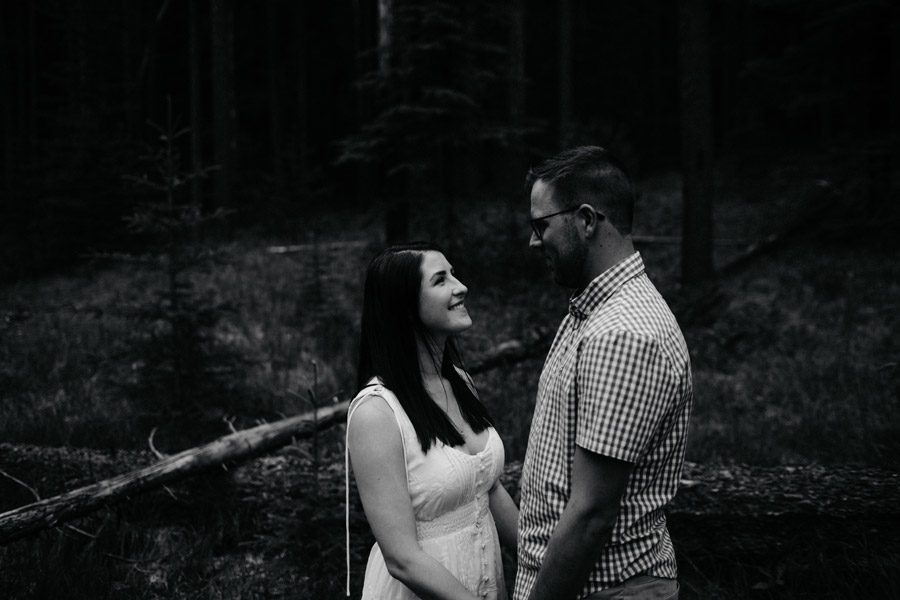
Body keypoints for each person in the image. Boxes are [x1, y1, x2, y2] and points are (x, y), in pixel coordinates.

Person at [514, 146, 693, 600]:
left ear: (587, 220)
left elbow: (592, 513)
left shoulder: (622, 333)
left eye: (542, 226)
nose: (533, 243)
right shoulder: (593, 310)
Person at [346, 242, 519, 600]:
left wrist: (544, 563)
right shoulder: (376, 412)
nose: (461, 287)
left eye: (453, 274)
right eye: (441, 280)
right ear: (405, 307)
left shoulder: (459, 381)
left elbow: (487, 486)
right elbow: (402, 559)